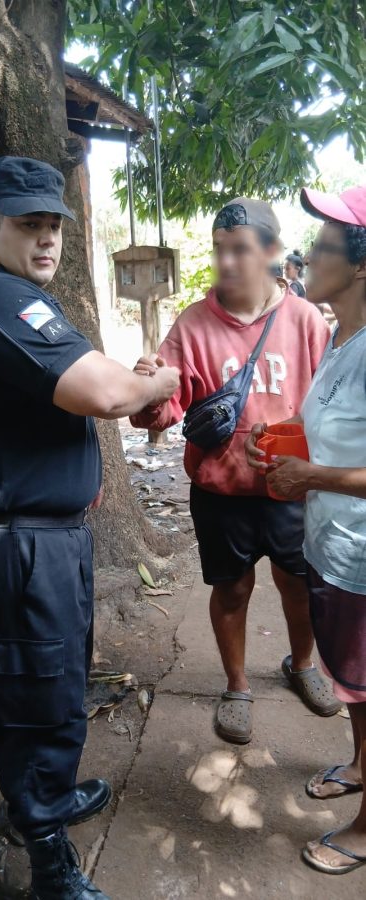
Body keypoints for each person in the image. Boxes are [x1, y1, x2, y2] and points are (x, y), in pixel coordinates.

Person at [0, 156, 180, 900]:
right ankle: (46, 856)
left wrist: (126, 384)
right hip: (16, 549)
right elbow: (101, 390)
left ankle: (50, 799)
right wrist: (153, 384)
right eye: (27, 225)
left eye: (53, 226)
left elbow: (71, 383)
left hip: (42, 539)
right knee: (34, 694)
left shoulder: (10, 295)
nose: (44, 241)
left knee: (58, 683)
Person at [131, 197, 340, 745]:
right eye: (219, 250)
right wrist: (150, 388)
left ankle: (301, 664)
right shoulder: (193, 326)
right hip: (221, 494)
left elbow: (330, 405)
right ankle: (238, 685)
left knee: (299, 585)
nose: (227, 262)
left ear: (271, 252)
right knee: (232, 590)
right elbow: (163, 411)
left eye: (241, 250)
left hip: (293, 490)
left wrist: (310, 457)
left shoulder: (306, 322)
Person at [247, 184, 366, 875]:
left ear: (360, 267)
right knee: (351, 682)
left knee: (364, 682)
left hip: (360, 558)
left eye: (321, 246)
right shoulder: (340, 334)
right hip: (334, 542)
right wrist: (288, 440)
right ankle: (358, 763)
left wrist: (311, 478)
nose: (305, 254)